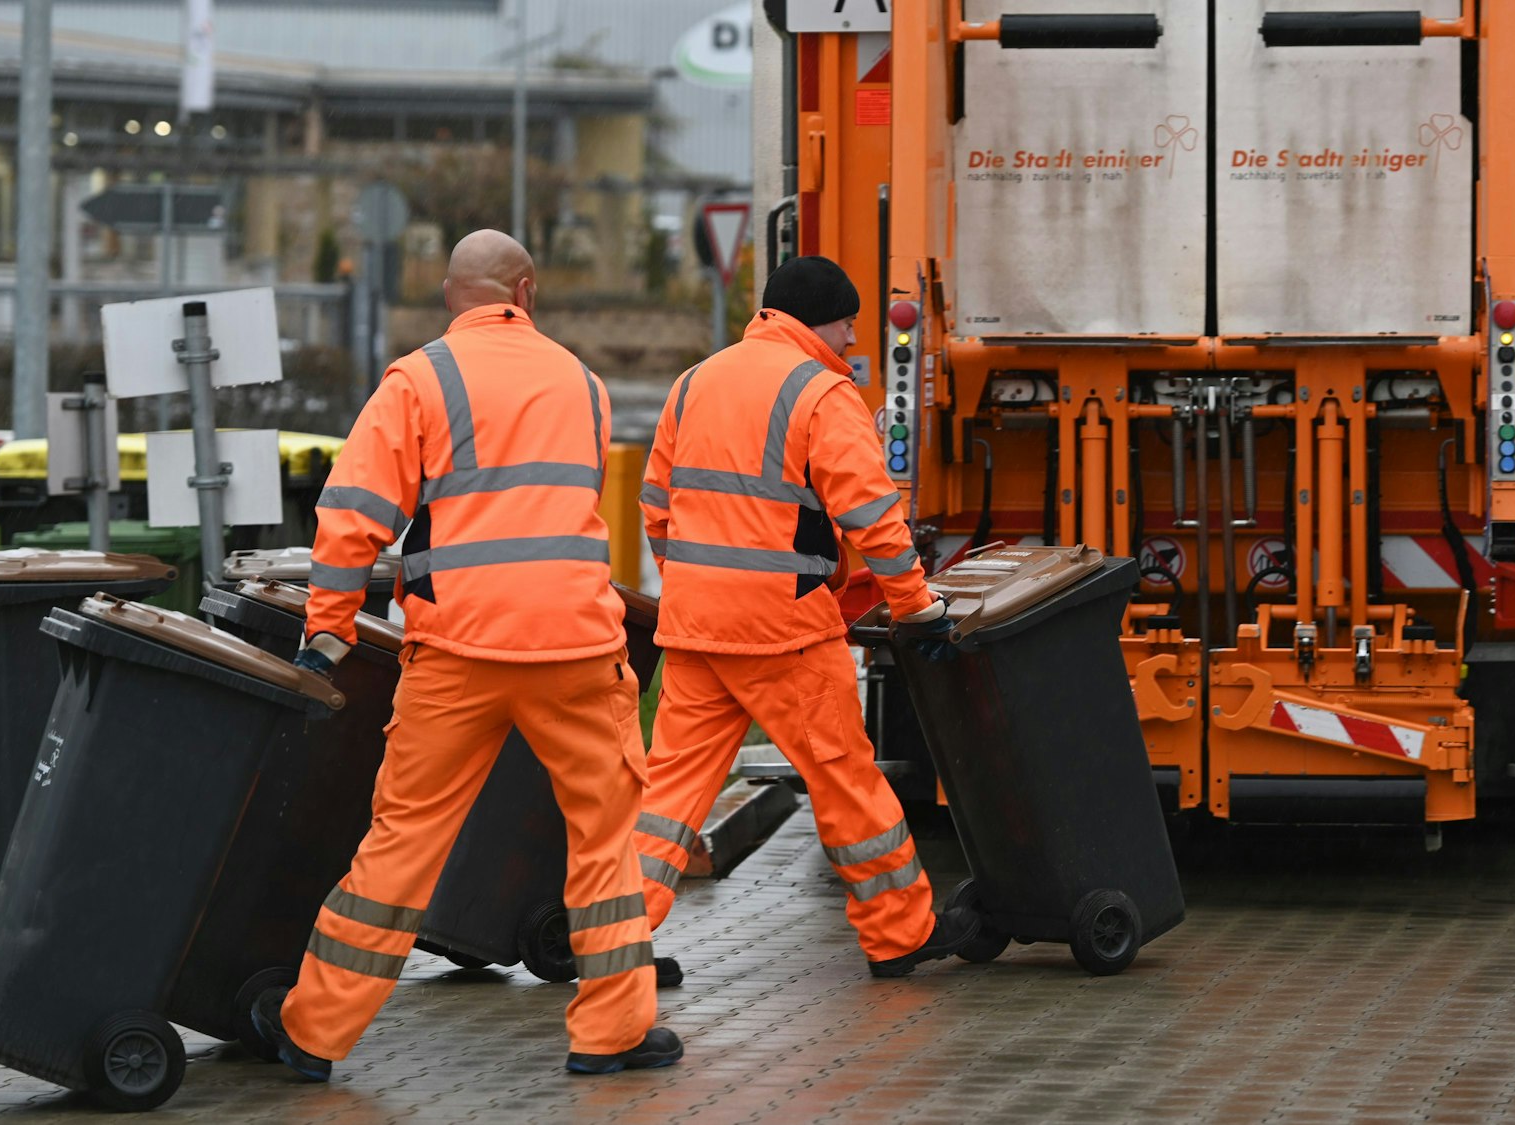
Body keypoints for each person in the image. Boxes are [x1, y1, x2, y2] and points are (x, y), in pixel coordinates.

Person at [247, 230, 681, 1079]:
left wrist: (329, 628)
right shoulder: (582, 384)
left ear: (452, 295)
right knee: (603, 838)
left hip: (457, 649)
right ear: (524, 288)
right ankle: (613, 1032)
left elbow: (352, 513)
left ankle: (314, 1030)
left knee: (403, 840)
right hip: (574, 647)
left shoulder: (419, 379)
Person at [633, 255, 975, 980]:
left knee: (667, 793)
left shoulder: (696, 381)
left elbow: (656, 506)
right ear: (823, 318)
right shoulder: (821, 392)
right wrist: (917, 606)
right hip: (783, 631)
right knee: (844, 778)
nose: (853, 336)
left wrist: (694, 586)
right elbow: (874, 517)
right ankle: (900, 931)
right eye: (849, 321)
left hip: (696, 628)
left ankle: (612, 939)